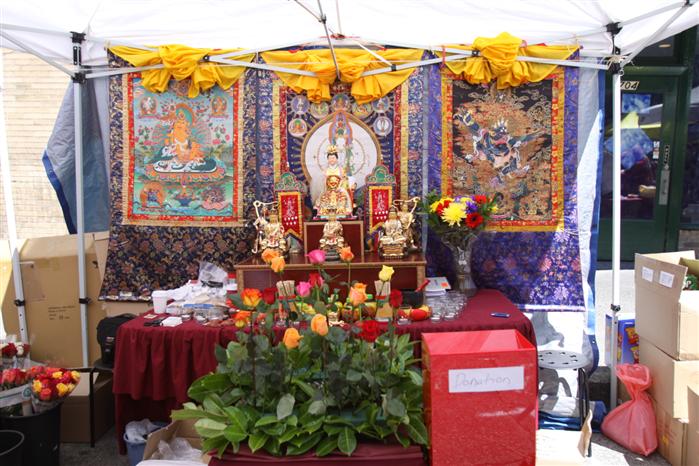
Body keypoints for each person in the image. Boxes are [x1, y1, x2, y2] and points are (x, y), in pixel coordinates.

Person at [314, 145, 353, 217]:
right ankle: (323, 210)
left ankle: (345, 210)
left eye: (333, 158)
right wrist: (327, 187)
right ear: (327, 159)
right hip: (328, 188)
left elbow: (344, 180)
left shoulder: (341, 170)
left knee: (344, 193)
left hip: (339, 188)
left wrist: (340, 187)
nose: (331, 160)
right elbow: (324, 181)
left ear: (337, 159)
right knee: (323, 194)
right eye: (330, 158)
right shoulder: (325, 170)